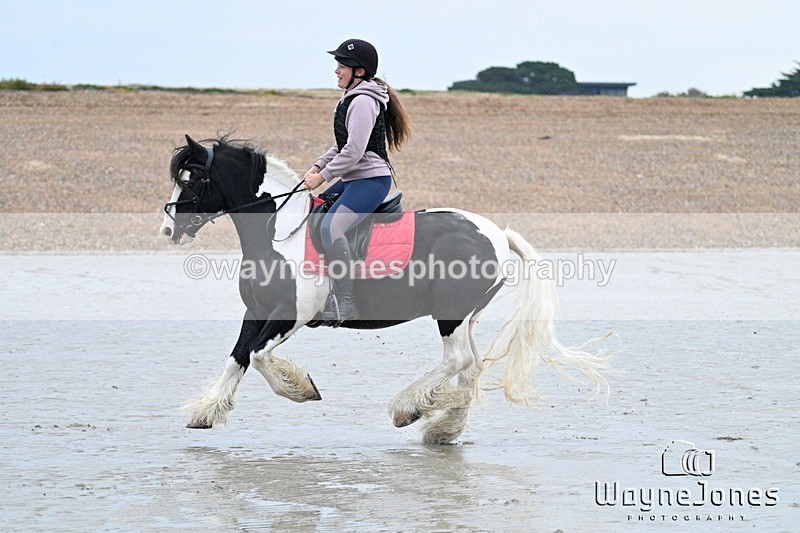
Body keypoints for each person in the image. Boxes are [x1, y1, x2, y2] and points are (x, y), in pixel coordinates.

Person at [303, 38, 411, 324]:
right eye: (337, 65)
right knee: (316, 211)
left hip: (371, 181)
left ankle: (346, 302)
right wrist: (317, 165)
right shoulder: (353, 96)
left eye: (342, 66)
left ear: (359, 72)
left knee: (332, 226)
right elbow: (341, 145)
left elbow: (354, 151)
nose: (336, 70)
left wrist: (323, 177)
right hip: (354, 178)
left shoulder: (363, 101)